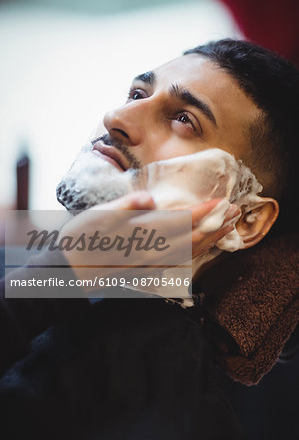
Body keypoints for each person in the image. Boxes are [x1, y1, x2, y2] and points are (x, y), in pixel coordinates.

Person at [0, 39, 298, 440]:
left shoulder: (174, 409)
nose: (116, 116)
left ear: (245, 219)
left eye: (184, 119)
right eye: (137, 94)